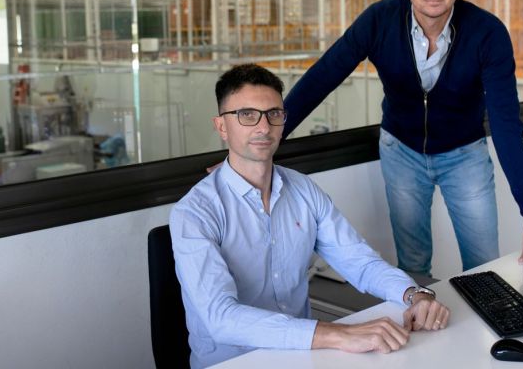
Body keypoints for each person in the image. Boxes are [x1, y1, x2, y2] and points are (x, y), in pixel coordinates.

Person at [283, 0, 523, 275]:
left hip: (465, 155)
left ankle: (487, 330)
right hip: (401, 152)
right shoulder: (379, 21)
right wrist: (267, 139)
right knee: (413, 267)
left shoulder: (487, 33)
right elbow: (323, 76)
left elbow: (506, 125)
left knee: (483, 266)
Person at [170, 64, 450, 369]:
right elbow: (221, 318)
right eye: (247, 115)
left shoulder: (303, 190)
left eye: (273, 114)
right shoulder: (195, 212)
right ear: (222, 127)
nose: (263, 127)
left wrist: (414, 294)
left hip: (302, 356)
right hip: (233, 362)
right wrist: (338, 334)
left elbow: (360, 262)